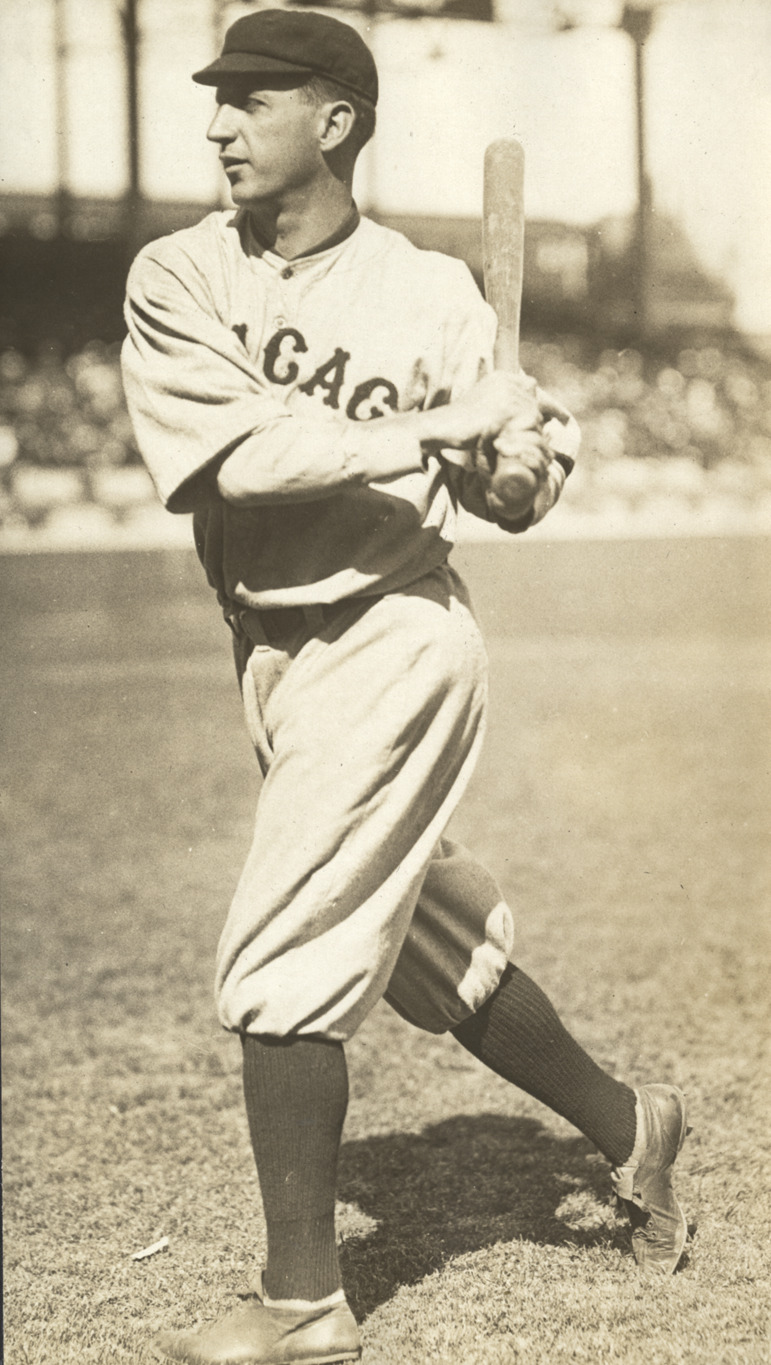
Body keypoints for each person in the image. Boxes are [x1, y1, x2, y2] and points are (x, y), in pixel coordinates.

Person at [121, 11, 689, 1364]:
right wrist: (438, 426)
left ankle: (303, 1300)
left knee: (283, 949)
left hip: (395, 635)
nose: (219, 124)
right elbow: (239, 461)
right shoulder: (179, 273)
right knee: (431, 951)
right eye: (218, 100)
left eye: (253, 100)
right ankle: (635, 1127)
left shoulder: (434, 296)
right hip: (272, 651)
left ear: (335, 123)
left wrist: (512, 470)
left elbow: (517, 489)